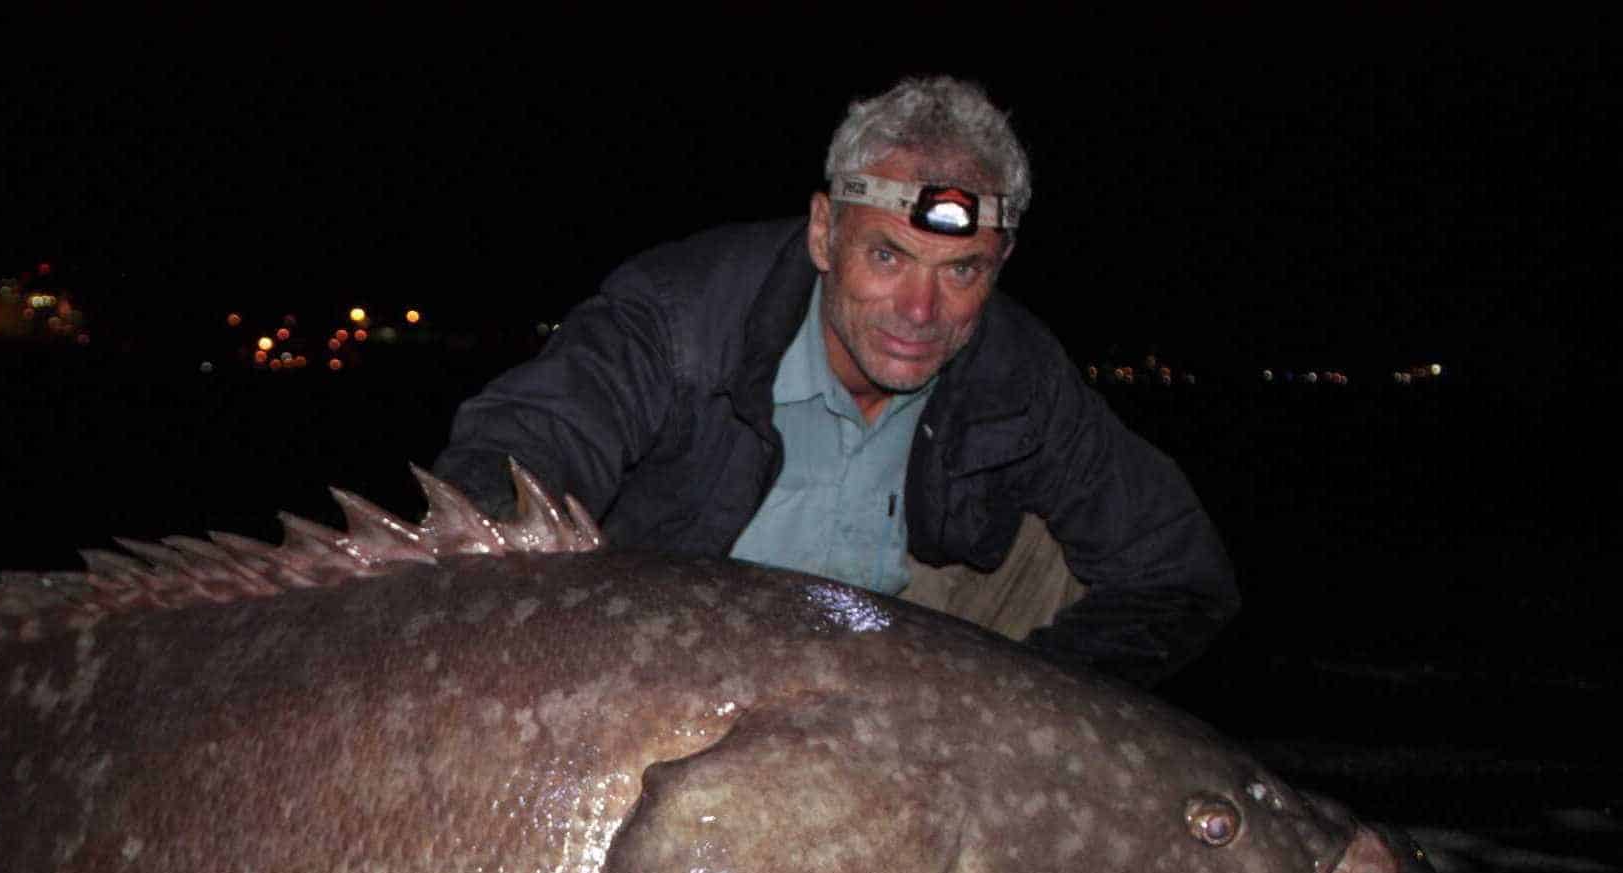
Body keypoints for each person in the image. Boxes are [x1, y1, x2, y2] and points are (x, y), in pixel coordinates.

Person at [433, 77, 1237, 688]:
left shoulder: (1020, 371)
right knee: (509, 544)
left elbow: (1179, 576)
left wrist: (1010, 699)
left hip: (881, 677)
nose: (920, 310)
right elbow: (516, 449)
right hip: (668, 664)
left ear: (999, 266)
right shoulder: (677, 315)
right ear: (825, 232)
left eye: (961, 270)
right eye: (886, 256)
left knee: (1054, 558)